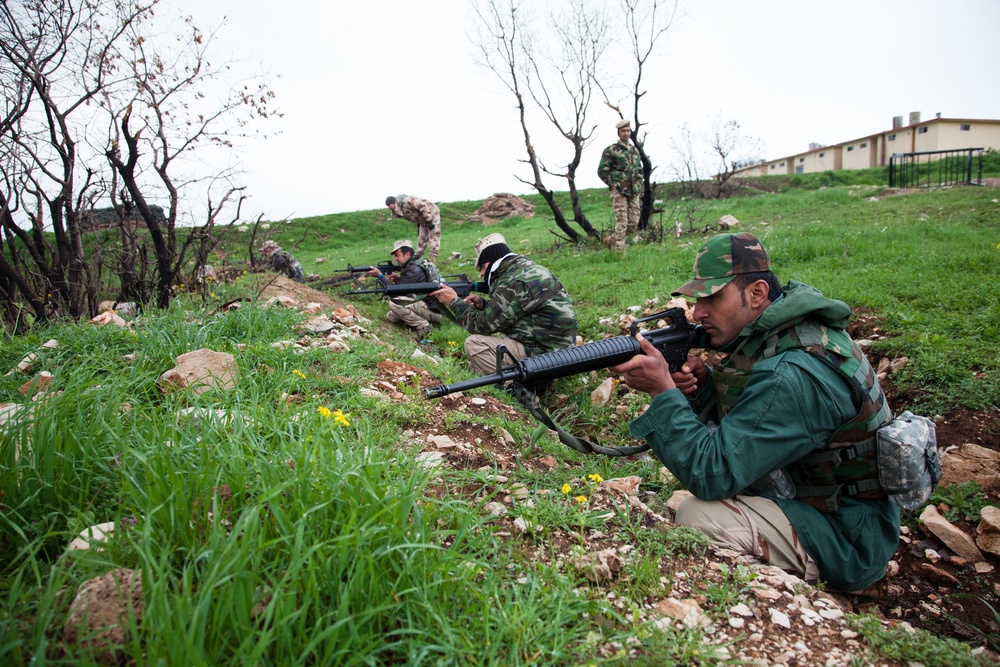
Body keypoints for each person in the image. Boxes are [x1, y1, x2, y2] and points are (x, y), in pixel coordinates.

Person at [611, 232, 898, 593]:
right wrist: (705, 389)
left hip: (847, 539)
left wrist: (663, 390)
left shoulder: (793, 373)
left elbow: (710, 473)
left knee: (698, 515)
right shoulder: (785, 333)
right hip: (823, 507)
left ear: (757, 293)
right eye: (697, 299)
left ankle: (794, 598)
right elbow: (757, 421)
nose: (698, 312)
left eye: (712, 298)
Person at [430, 233, 577, 376]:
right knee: (476, 363)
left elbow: (482, 326)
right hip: (560, 351)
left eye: (481, 267)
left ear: (491, 261)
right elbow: (517, 312)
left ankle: (516, 389)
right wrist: (483, 305)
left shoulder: (511, 281)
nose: (481, 274)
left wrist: (453, 302)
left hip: (545, 357)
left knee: (474, 344)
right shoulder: (526, 270)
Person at [366, 239, 443, 340]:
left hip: (432, 310)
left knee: (395, 304)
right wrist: (398, 279)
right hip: (427, 306)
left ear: (407, 254)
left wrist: (380, 276)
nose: (396, 259)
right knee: (391, 317)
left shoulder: (413, 270)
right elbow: (408, 288)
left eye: (397, 255)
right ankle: (412, 321)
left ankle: (423, 326)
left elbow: (395, 293)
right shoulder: (413, 266)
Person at [597, 119, 643, 252]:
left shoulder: (634, 151)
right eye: (623, 131)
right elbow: (602, 171)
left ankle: (610, 240)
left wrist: (639, 184)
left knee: (633, 222)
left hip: (633, 190)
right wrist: (612, 184)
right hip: (619, 190)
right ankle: (619, 251)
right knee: (622, 221)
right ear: (618, 133)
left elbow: (638, 169)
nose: (626, 133)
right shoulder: (611, 150)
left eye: (628, 131)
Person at [385, 194, 441, 263]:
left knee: (434, 235)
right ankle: (418, 256)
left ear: (393, 203)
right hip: (422, 218)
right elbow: (413, 215)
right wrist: (419, 224)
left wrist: (429, 220)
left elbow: (423, 206)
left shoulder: (407, 201)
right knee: (422, 237)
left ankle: (433, 257)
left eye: (388, 205)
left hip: (431, 213)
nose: (388, 208)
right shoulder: (399, 210)